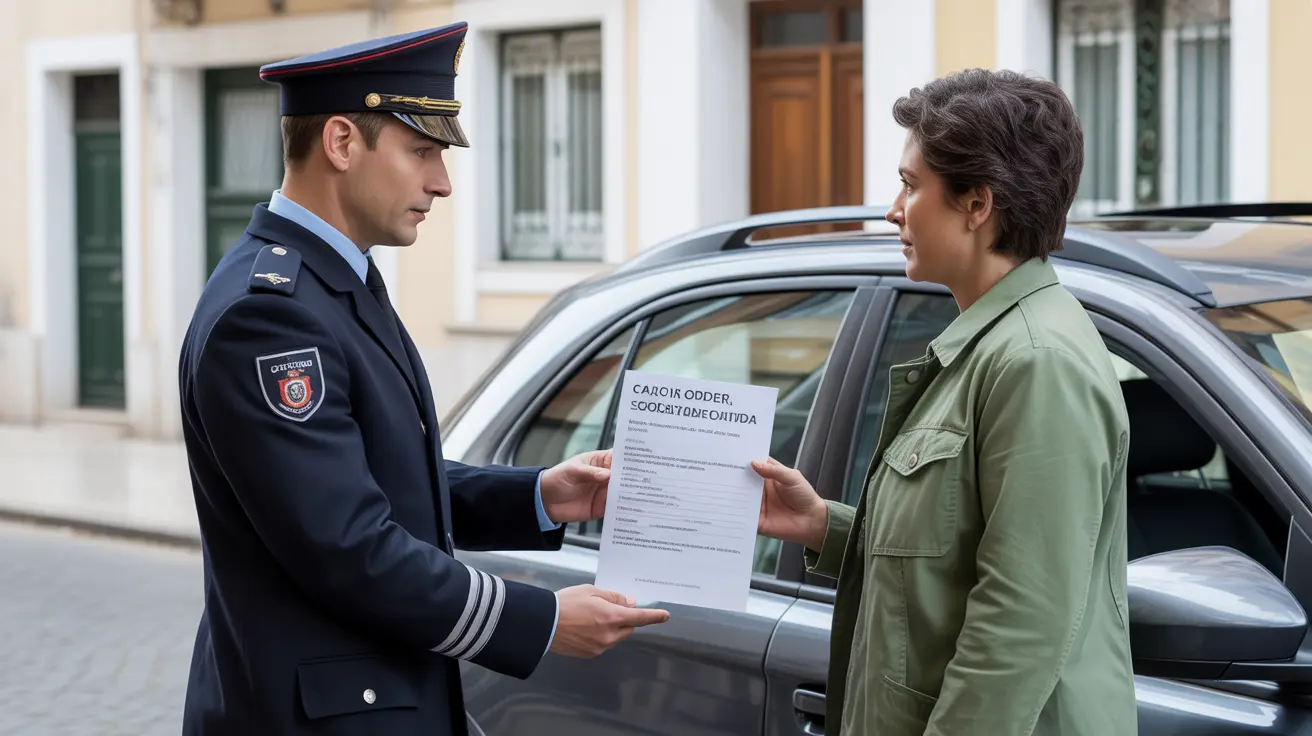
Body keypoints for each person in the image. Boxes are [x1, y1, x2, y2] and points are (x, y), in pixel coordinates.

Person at [177, 22, 669, 735]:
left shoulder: (332, 278)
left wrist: (539, 496)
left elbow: (382, 476)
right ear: (341, 142)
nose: (441, 181)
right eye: (421, 151)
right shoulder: (270, 315)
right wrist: (538, 620)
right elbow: (348, 546)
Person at [752, 69, 1137, 735]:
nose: (893, 210)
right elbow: (950, 557)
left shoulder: (1036, 362)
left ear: (977, 204)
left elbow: (1020, 625)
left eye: (910, 185)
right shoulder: (995, 345)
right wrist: (822, 525)